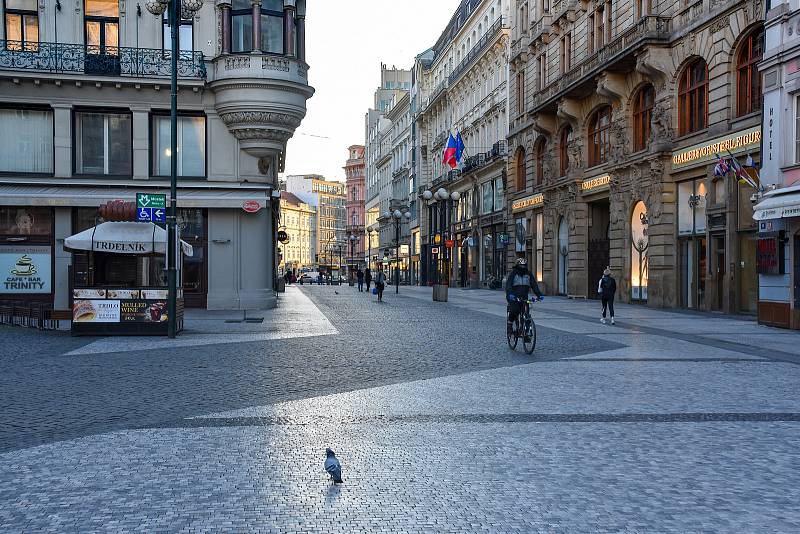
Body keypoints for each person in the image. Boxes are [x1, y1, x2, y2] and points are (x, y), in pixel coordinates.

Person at [505, 257, 543, 335]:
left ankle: (525, 331)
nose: (523, 267)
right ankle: (510, 324)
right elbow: (508, 286)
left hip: (524, 297)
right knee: (514, 311)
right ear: (517, 266)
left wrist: (539, 294)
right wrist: (510, 295)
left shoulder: (528, 274)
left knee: (526, 313)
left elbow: (534, 285)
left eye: (524, 265)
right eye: (521, 265)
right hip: (514, 297)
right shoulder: (513, 274)